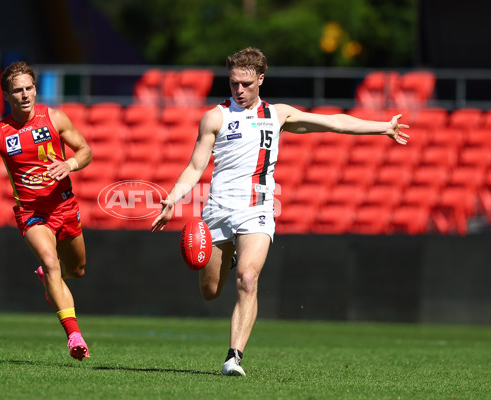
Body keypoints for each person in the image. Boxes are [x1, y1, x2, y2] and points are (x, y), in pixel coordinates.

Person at [151, 47, 410, 376]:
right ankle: (228, 258)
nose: (239, 90)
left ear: (260, 79)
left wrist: (381, 127)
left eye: (245, 84)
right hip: (217, 210)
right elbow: (194, 166)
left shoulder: (278, 115)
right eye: (233, 84)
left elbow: (333, 122)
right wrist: (173, 198)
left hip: (257, 208)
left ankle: (234, 357)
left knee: (248, 279)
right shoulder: (215, 117)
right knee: (211, 291)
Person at [0, 61, 93, 361]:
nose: (25, 95)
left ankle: (49, 280)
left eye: (29, 88)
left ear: (35, 89)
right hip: (31, 212)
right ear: (6, 96)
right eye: (17, 90)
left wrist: (68, 164)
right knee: (51, 262)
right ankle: (74, 335)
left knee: (77, 270)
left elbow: (85, 150)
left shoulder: (55, 118)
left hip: (64, 205)